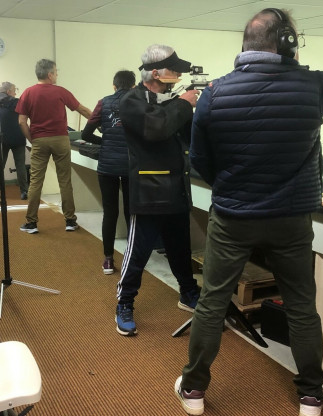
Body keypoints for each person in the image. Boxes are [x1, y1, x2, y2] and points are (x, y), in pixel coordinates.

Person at [174, 8, 323, 416]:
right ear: (286, 43)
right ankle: (311, 396)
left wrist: (232, 190)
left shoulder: (213, 94)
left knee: (212, 303)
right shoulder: (312, 87)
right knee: (302, 307)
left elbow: (200, 160)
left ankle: (194, 390)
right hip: (290, 221)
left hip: (233, 219)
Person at [115, 44, 201, 336]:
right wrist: (185, 105)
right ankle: (124, 303)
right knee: (137, 254)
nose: (178, 75)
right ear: (155, 73)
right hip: (149, 192)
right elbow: (157, 128)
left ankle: (188, 293)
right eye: (173, 70)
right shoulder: (131, 100)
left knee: (180, 250)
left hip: (176, 189)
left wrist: (199, 108)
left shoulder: (172, 100)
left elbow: (188, 137)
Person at [16, 59, 92, 234]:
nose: (57, 74)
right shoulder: (61, 92)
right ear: (50, 75)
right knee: (64, 180)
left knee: (35, 182)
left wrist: (33, 139)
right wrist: (98, 122)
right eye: (56, 72)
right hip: (60, 140)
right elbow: (83, 110)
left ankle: (31, 223)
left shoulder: (28, 93)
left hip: (39, 140)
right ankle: (70, 221)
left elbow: (21, 122)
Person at [82, 70, 136, 275]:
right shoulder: (139, 103)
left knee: (110, 212)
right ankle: (132, 258)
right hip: (131, 165)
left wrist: (104, 142)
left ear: (114, 86)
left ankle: (108, 259)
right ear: (133, 86)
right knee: (132, 213)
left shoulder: (103, 103)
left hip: (107, 166)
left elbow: (86, 134)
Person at [0, 82, 29, 200]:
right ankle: (24, 192)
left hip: (2, 138)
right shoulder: (18, 102)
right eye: (14, 90)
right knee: (20, 165)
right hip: (18, 137)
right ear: (8, 92)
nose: (15, 93)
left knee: (0, 165)